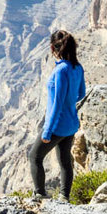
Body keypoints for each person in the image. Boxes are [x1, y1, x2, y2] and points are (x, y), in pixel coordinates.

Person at [28, 30, 86, 202]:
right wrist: (70, 101)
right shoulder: (77, 67)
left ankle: (40, 194)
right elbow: (81, 93)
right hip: (71, 124)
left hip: (57, 125)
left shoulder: (61, 70)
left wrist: (47, 131)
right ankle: (64, 197)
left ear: (53, 47)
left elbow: (57, 104)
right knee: (65, 160)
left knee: (34, 156)